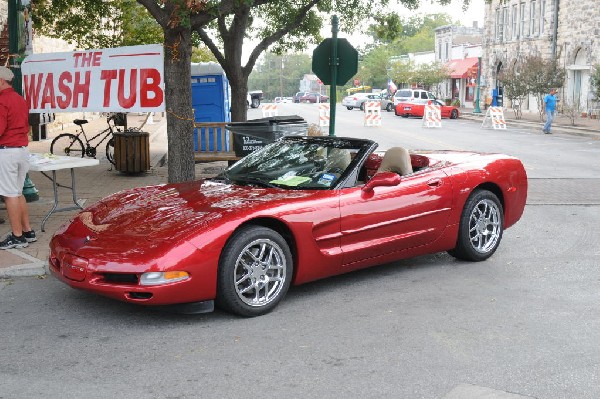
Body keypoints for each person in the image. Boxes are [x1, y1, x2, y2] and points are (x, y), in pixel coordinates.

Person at [0, 66, 36, 249]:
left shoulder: (2, 101)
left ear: (2, 81)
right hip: (21, 150)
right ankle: (27, 231)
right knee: (18, 192)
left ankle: (17, 236)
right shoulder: (20, 99)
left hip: (7, 151)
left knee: (9, 195)